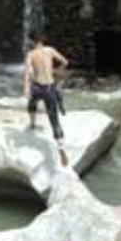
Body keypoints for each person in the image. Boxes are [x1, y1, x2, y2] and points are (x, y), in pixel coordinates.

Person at [23, 31, 69, 166]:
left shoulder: (31, 54)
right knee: (54, 120)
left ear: (32, 41)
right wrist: (56, 71)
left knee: (32, 103)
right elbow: (65, 61)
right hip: (49, 87)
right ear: (42, 40)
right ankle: (61, 148)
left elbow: (26, 73)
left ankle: (32, 124)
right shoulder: (50, 50)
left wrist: (25, 88)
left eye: (30, 41)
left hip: (37, 87)